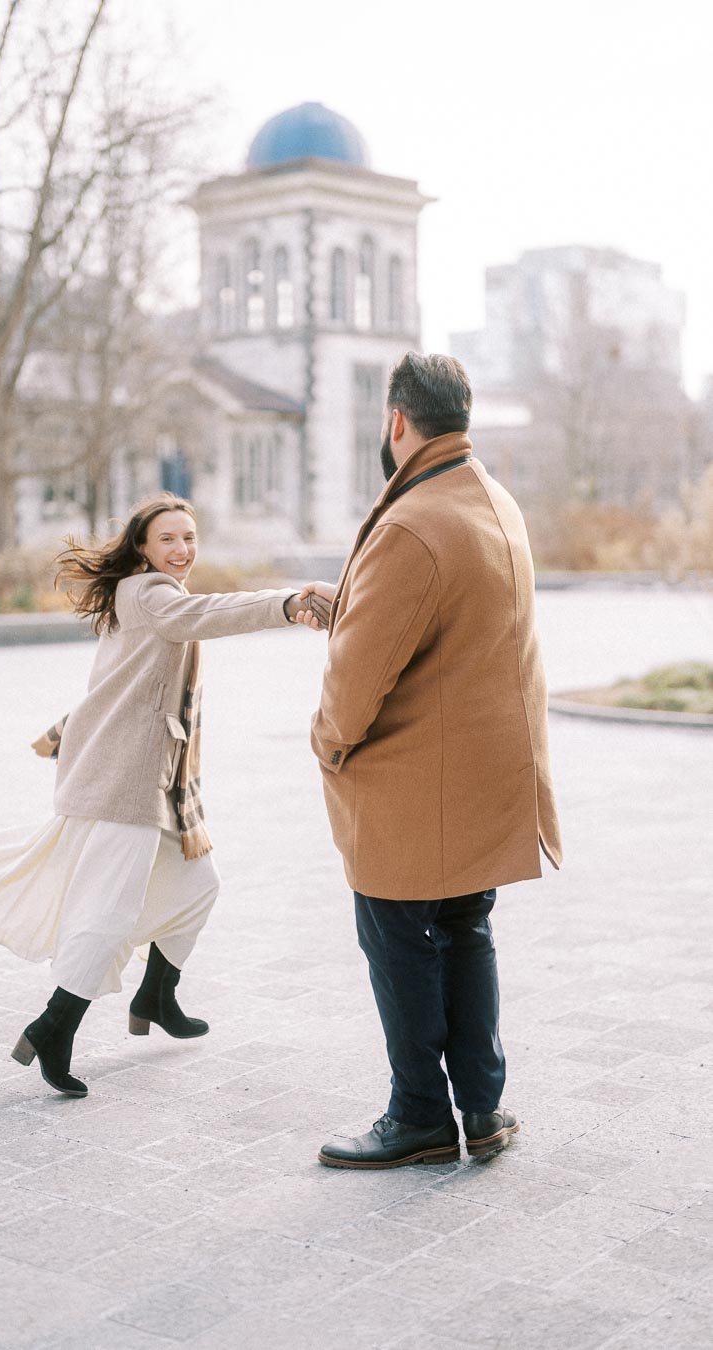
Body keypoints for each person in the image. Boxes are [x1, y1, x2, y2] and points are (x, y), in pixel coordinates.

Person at [0, 492, 329, 1099]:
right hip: (126, 782)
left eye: (190, 538)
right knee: (107, 912)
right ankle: (54, 1028)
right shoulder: (150, 594)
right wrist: (287, 603)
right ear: (142, 547)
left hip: (152, 779)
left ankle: (156, 995)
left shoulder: (142, 594)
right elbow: (210, 614)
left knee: (197, 886)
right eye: (168, 539)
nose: (182, 550)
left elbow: (118, 680)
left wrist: (66, 729)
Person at [297, 353, 562, 1168]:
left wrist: (329, 743)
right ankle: (482, 1109)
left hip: (415, 782)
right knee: (464, 929)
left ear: (397, 421)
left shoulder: (414, 520)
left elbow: (357, 678)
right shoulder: (493, 501)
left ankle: (417, 1115)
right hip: (482, 774)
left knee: (398, 937)